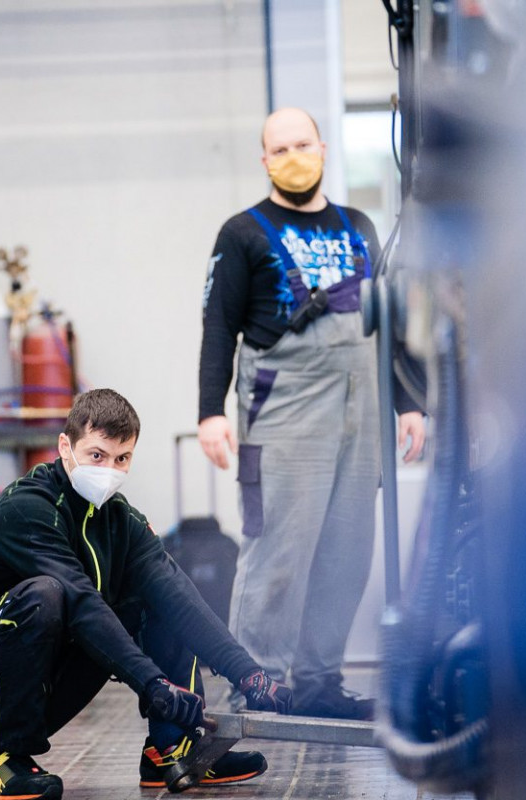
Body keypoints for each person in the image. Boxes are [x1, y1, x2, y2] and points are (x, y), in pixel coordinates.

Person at [0, 389, 292, 800]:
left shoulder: (120, 520)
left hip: (44, 675)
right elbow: (80, 602)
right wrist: (153, 685)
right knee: (44, 594)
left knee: (159, 595)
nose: (109, 470)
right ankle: (0, 759)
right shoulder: (26, 508)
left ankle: (170, 748)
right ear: (65, 447)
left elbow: (178, 596)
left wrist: (250, 675)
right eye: (97, 455)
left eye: (122, 459)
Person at [197, 107, 427, 721]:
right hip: (286, 410)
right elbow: (219, 328)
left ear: (323, 148)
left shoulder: (359, 226)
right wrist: (210, 413)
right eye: (280, 148)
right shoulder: (241, 233)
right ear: (264, 160)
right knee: (277, 549)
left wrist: (409, 403)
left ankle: (320, 683)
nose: (294, 155)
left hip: (363, 409)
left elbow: (391, 322)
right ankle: (259, 683)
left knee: (346, 552)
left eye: (303, 143)